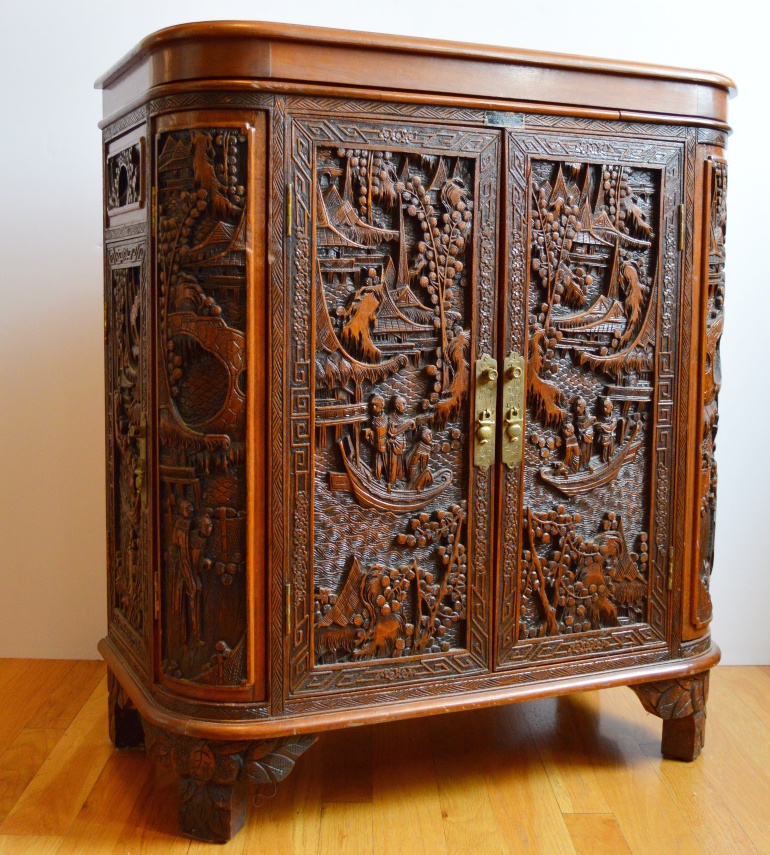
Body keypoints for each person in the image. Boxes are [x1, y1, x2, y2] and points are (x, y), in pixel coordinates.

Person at [386, 396, 416, 486]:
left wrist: (408, 428)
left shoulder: (398, 418)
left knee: (399, 465)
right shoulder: (390, 418)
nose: (405, 407)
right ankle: (391, 483)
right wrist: (409, 422)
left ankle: (398, 481)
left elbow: (400, 429)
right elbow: (393, 432)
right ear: (396, 406)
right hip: (394, 445)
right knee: (393, 464)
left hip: (400, 445)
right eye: (403, 404)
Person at [363, 395, 388, 480]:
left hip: (381, 446)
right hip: (379, 445)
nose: (373, 407)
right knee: (378, 463)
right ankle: (378, 477)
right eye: (372, 405)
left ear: (381, 406)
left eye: (376, 405)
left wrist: (370, 433)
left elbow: (379, 434)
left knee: (380, 463)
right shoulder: (375, 418)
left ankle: (379, 478)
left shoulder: (382, 420)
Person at [574, 397, 596, 470]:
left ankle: (585, 465)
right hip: (580, 440)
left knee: (585, 453)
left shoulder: (589, 418)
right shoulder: (578, 418)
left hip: (586, 440)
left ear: (584, 407)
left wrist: (585, 433)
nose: (577, 408)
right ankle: (580, 466)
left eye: (579, 406)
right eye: (576, 406)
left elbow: (591, 428)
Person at [598, 396, 618, 464]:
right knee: (604, 450)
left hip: (611, 437)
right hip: (604, 438)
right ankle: (604, 461)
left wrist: (603, 426)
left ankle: (610, 460)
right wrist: (600, 428)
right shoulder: (601, 417)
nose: (604, 409)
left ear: (611, 407)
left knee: (610, 449)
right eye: (603, 407)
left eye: (606, 407)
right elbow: (598, 427)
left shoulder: (613, 417)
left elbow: (611, 428)